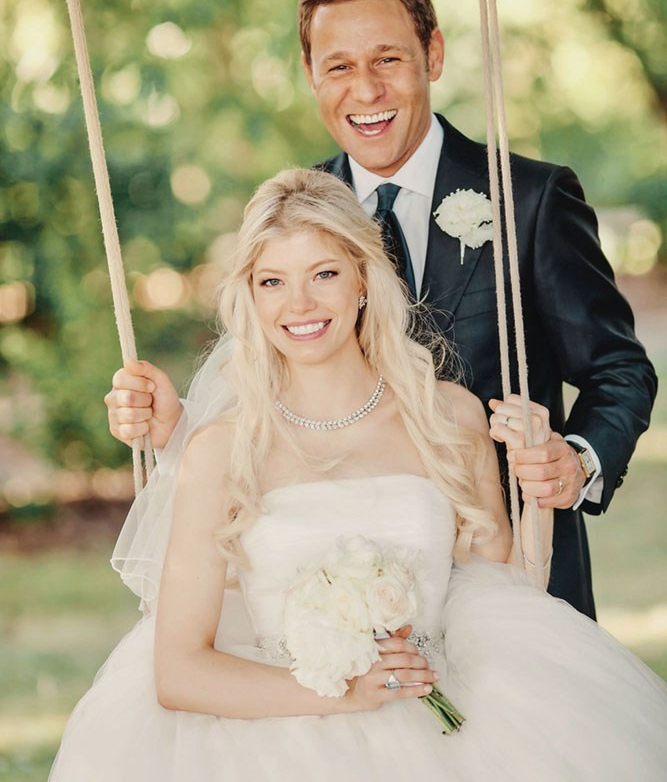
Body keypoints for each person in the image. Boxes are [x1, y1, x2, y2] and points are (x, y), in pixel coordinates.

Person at [51, 169, 666, 782]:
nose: (300, 305)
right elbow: (179, 673)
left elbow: (507, 595)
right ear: (251, 297)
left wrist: (538, 494)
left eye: (324, 274)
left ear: (364, 281)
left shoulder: (446, 415)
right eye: (273, 282)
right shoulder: (220, 450)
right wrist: (344, 694)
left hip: (443, 726)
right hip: (272, 741)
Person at [107, 0, 656, 618]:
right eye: (338, 66)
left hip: (515, 578)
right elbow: (266, 392)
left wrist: (575, 460)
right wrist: (178, 433)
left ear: (433, 54)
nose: (365, 91)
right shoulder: (289, 213)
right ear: (310, 75)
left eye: (387, 60)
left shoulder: (527, 200)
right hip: (342, 592)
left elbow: (617, 367)